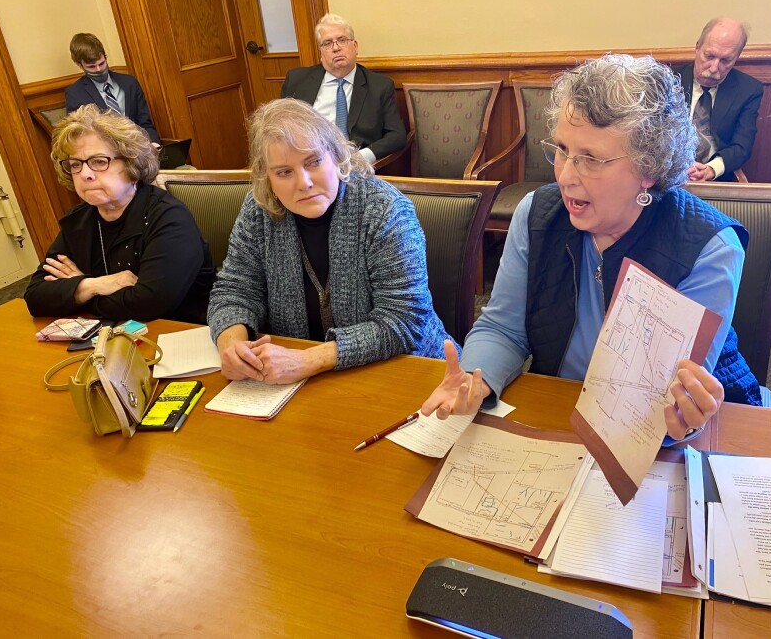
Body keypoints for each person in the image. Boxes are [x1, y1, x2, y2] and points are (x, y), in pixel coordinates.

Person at [421, 54, 763, 441]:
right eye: (563, 150)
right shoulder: (536, 214)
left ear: (649, 169)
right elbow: (504, 328)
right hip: (562, 412)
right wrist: (473, 380)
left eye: (591, 160)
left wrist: (680, 422)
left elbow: (671, 403)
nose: (565, 176)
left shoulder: (708, 248)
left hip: (666, 437)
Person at [207, 98, 451, 384]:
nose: (304, 182)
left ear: (336, 156)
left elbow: (404, 322)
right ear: (267, 177)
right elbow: (234, 291)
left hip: (408, 371)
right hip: (304, 383)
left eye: (314, 162)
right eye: (284, 172)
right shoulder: (258, 210)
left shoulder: (384, 209)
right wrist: (232, 345)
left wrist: (309, 360)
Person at [24, 104, 214, 324]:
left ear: (133, 163)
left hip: (178, 335)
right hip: (112, 335)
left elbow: (149, 305)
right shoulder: (79, 220)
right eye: (75, 164)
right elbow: (35, 296)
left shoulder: (169, 218)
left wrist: (76, 290)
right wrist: (94, 285)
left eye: (99, 162)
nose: (85, 173)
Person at [279, 13, 406, 164]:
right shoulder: (297, 80)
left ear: (355, 46)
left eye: (342, 40)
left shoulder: (379, 86)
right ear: (321, 53)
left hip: (354, 166)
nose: (336, 48)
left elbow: (397, 135)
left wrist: (361, 158)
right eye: (327, 43)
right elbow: (279, 126)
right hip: (305, 162)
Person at [676, 18, 763, 182]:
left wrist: (711, 169)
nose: (714, 68)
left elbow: (741, 146)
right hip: (667, 176)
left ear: (736, 58)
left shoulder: (748, 90)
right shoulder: (668, 80)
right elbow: (650, 138)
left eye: (725, 60)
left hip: (715, 179)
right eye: (709, 56)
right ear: (697, 48)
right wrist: (678, 165)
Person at [65, 32, 162, 146]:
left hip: (139, 149)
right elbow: (80, 136)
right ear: (79, 65)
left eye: (102, 63)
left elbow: (145, 123)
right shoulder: (75, 93)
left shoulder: (129, 83)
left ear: (105, 57)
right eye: (91, 67)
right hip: (106, 152)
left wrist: (154, 144)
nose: (98, 69)